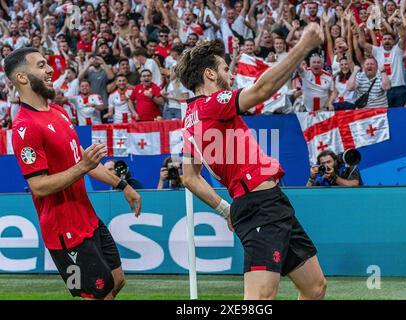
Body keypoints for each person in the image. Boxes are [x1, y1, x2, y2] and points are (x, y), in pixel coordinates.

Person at [175, 24, 327, 300]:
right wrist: (303, 46)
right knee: (259, 299)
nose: (230, 75)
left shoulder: (190, 119)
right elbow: (261, 91)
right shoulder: (212, 103)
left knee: (315, 287)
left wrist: (226, 210)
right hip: (259, 207)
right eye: (225, 69)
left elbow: (190, 177)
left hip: (268, 203)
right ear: (209, 74)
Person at [7, 47, 142, 300]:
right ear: (22, 78)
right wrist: (83, 167)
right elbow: (38, 186)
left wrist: (122, 185)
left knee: (117, 280)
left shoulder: (57, 111)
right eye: (40, 65)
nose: (49, 70)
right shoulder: (25, 127)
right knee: (100, 295)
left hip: (88, 218)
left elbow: (82, 159)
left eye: (47, 63)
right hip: (64, 233)